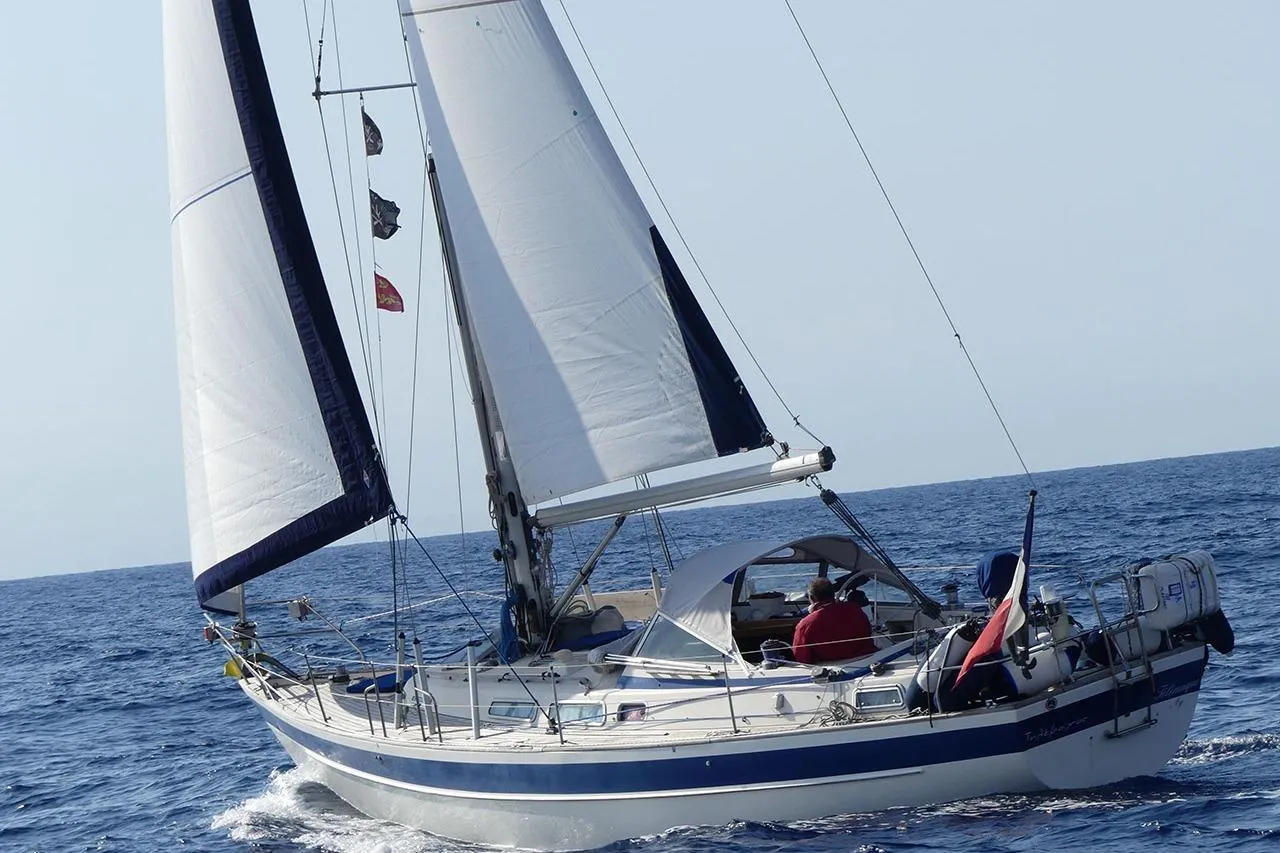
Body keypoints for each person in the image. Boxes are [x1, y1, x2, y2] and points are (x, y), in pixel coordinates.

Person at [791, 577, 877, 664]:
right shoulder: (854, 609)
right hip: (867, 658)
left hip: (831, 665)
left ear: (812, 598)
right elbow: (867, 631)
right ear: (833, 594)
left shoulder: (806, 624)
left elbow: (802, 657)